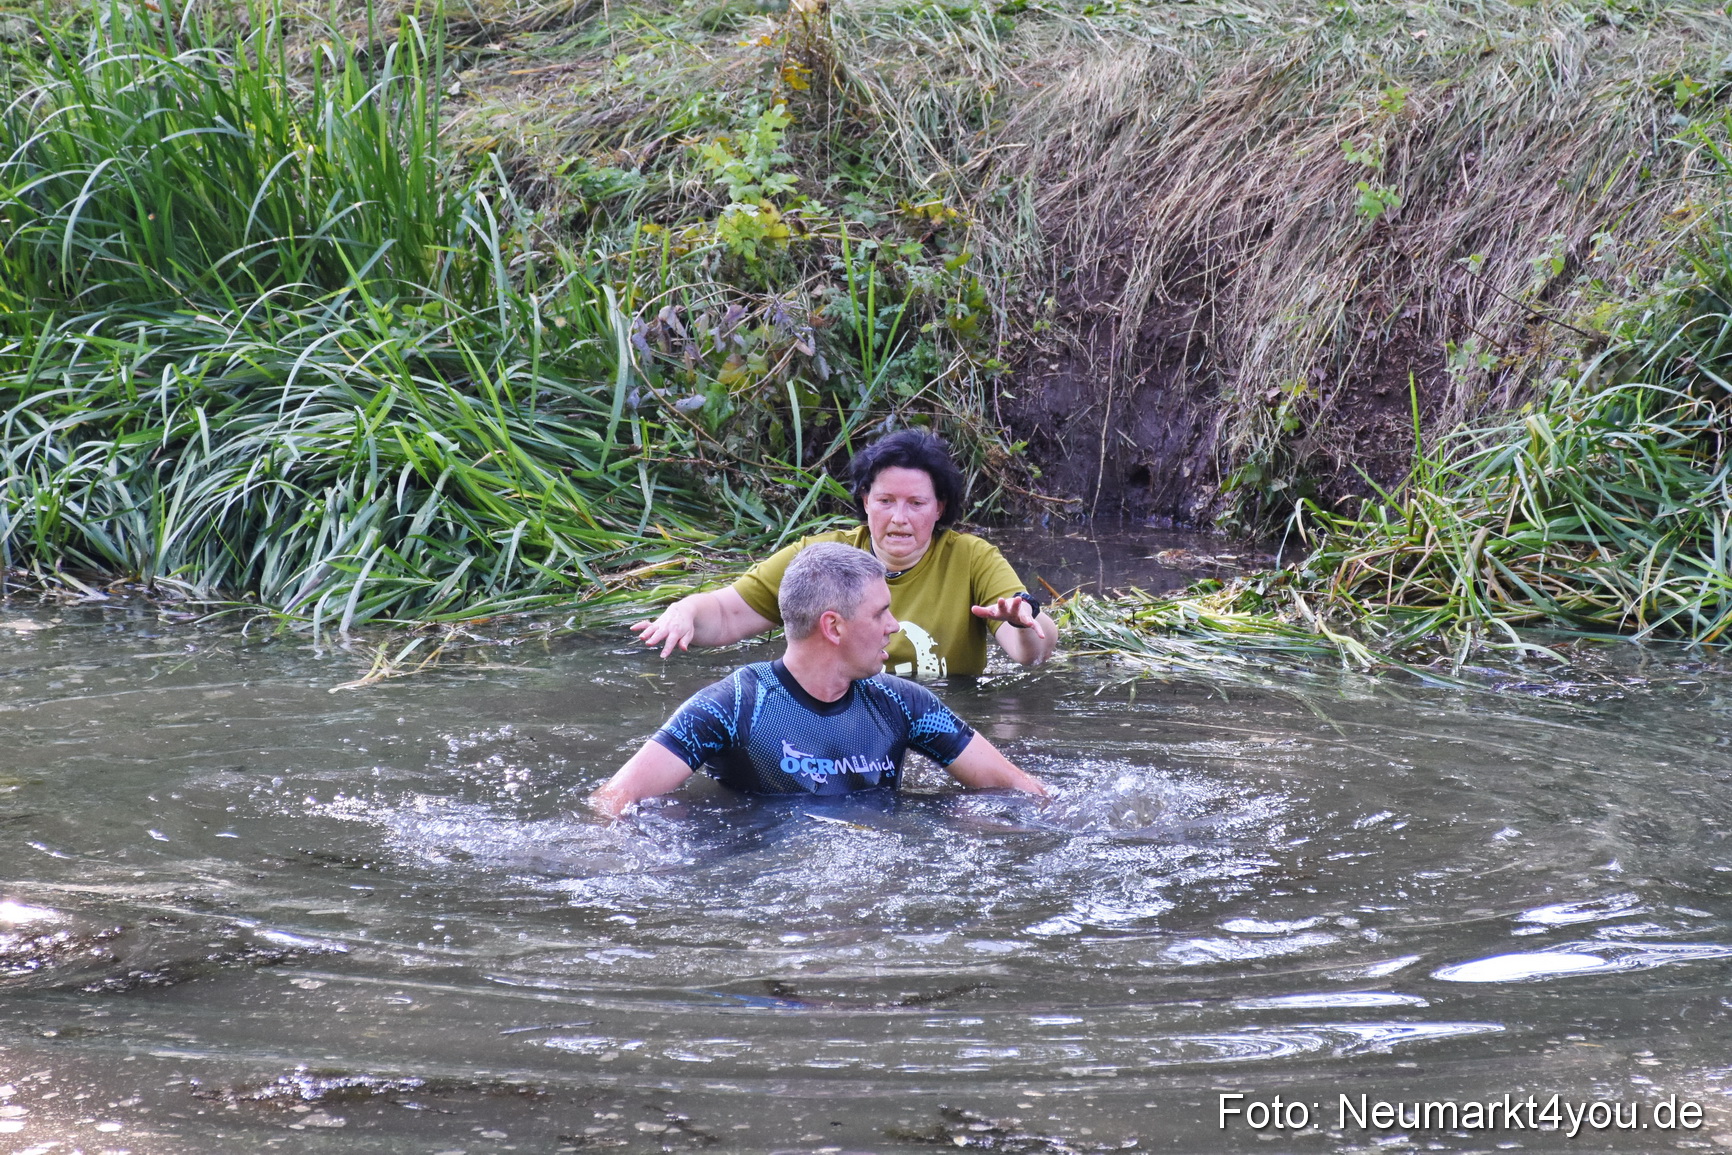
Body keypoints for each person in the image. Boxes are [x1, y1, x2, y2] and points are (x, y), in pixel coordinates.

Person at [591, 543, 1047, 817]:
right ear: (833, 627)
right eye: (880, 612)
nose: (894, 625)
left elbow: (1020, 790)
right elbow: (614, 801)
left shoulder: (904, 704)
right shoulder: (734, 705)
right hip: (761, 879)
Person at [630, 430, 1058, 678]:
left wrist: (1022, 619)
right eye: (886, 501)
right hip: (844, 714)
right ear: (866, 500)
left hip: (947, 715)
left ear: (941, 507)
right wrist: (684, 612)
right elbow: (727, 614)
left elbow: (1032, 653)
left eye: (917, 504)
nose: (899, 519)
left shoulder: (972, 558)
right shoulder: (821, 557)